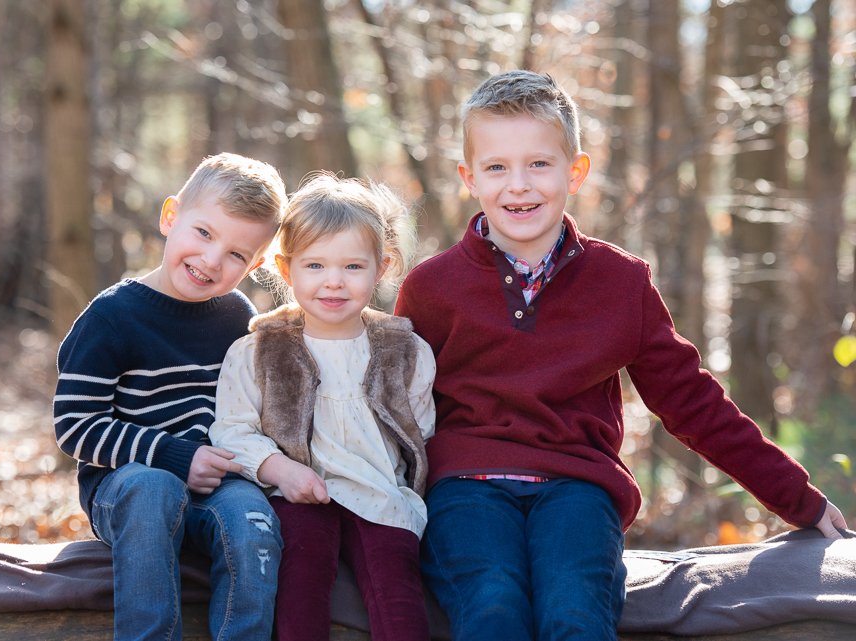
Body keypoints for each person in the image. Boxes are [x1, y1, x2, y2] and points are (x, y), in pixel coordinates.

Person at [394, 70, 849, 641]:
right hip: (465, 484)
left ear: (575, 171)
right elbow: (393, 408)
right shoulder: (432, 288)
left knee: (575, 611)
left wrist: (796, 497)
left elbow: (691, 401)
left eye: (539, 164)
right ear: (469, 178)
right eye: (496, 168)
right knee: (492, 606)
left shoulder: (620, 282)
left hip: (576, 486)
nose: (519, 185)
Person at [53, 152, 287, 641]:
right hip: (125, 488)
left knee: (253, 518)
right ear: (170, 216)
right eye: (203, 233)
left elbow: (251, 407)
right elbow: (75, 427)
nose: (210, 260)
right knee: (154, 488)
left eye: (236, 255)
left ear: (257, 264)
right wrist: (175, 457)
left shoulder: (236, 318)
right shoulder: (111, 317)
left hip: (218, 485)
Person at [210, 173, 436, 641]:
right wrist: (280, 471)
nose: (333, 282)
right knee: (299, 580)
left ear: (382, 267)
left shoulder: (405, 350)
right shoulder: (258, 350)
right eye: (314, 266)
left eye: (353, 267)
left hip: (379, 492)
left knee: (396, 588)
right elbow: (233, 430)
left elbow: (422, 432)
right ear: (285, 268)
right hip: (299, 493)